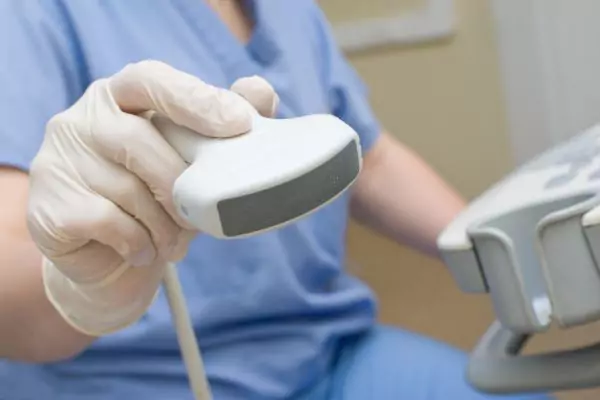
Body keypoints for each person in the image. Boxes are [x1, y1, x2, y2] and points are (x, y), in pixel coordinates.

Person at [0, 1, 552, 399]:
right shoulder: (32, 16)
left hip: (322, 347)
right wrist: (82, 285)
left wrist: (503, 246)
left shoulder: (287, 10)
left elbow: (369, 157)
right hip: (139, 378)